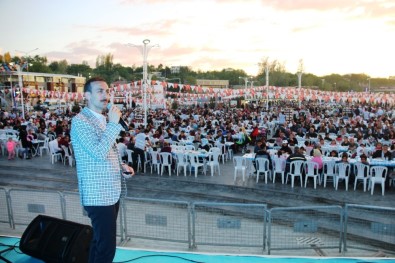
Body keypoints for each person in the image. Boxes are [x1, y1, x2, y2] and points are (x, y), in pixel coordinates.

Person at [70, 77, 134, 263]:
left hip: (111, 191)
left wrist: (122, 167)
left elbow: (105, 153)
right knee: (106, 248)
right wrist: (114, 124)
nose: (105, 95)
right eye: (100, 91)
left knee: (99, 242)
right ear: (87, 95)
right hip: (97, 194)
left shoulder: (103, 120)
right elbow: (98, 152)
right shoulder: (81, 121)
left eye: (107, 91)